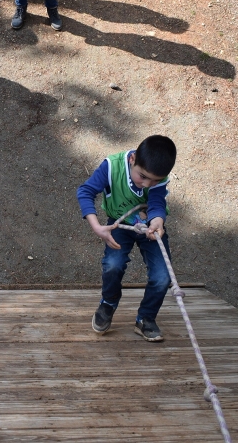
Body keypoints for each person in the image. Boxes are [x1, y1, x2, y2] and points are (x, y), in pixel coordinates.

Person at [76, 135, 177, 342]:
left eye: (155, 180)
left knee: (163, 275)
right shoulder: (111, 166)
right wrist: (97, 226)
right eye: (143, 177)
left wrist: (157, 220)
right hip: (119, 222)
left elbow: (157, 201)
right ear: (132, 160)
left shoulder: (157, 178)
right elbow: (85, 192)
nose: (147, 184)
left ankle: (145, 318)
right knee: (113, 264)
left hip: (149, 225)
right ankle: (109, 303)